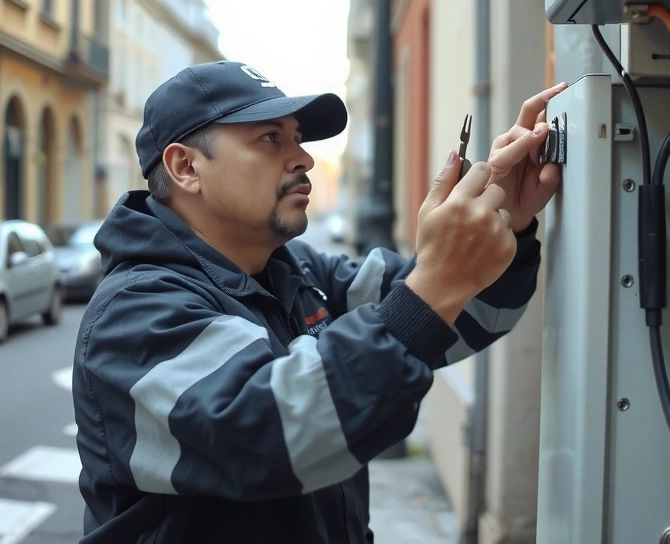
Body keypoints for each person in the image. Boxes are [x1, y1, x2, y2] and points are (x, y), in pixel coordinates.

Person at [72, 60, 568, 544]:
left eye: (298, 138)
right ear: (186, 167)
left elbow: (464, 319)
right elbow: (272, 438)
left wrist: (507, 219)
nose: (304, 158)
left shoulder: (299, 271)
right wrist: (437, 281)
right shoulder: (134, 313)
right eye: (270, 138)